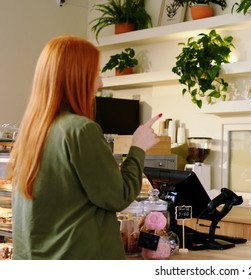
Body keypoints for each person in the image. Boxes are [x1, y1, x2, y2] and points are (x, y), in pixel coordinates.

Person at [7, 35, 162, 259]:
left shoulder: (33, 130)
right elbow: (119, 196)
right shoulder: (81, 130)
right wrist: (138, 147)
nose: (100, 83)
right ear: (76, 77)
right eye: (95, 74)